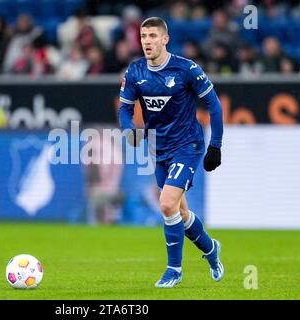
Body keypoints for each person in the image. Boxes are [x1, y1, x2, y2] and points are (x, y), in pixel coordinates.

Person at [118, 17, 224, 288]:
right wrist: (128, 129)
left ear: (165, 39)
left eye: (153, 36)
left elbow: (214, 105)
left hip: (188, 146)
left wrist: (216, 146)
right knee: (181, 213)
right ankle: (211, 249)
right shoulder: (135, 72)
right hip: (159, 149)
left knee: (166, 204)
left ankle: (173, 270)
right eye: (143, 36)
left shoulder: (186, 69)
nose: (147, 41)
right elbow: (125, 109)